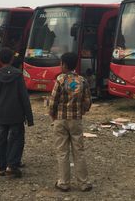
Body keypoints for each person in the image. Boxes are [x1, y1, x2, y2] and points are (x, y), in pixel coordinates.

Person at [48, 52, 92, 192]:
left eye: (61, 63)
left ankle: (64, 183)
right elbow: (88, 101)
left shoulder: (60, 80)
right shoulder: (82, 80)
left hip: (60, 120)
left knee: (62, 152)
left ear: (65, 65)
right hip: (76, 121)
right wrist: (82, 111)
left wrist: (53, 115)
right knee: (79, 151)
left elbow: (53, 102)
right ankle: (83, 183)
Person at [0, 48, 34, 177]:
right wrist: (29, 117)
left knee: (2, 139)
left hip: (1, 113)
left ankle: (1, 166)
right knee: (17, 139)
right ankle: (12, 165)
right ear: (12, 59)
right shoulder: (18, 75)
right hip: (16, 113)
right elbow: (24, 97)